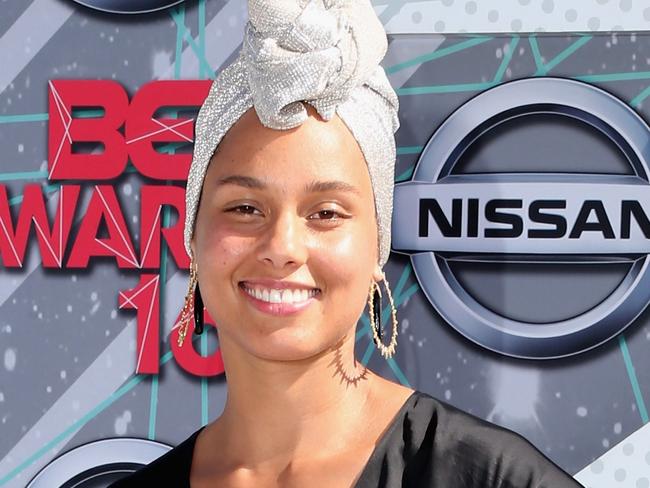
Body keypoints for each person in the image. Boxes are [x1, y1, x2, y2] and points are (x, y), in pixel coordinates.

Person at [110, 1, 584, 487]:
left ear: (377, 246)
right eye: (245, 208)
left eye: (326, 214)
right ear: (192, 234)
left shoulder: (491, 478)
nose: (282, 246)